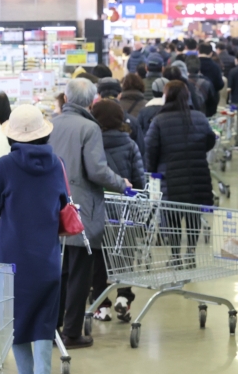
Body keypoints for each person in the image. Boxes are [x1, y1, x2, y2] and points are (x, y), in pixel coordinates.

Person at [0, 104, 66, 374]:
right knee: (44, 321)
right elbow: (64, 202)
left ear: (12, 136)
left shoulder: (6, 165)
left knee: (14, 319)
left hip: (13, 260)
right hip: (48, 260)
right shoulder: (57, 164)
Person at [49, 78, 130, 349]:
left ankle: (53, 327)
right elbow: (96, 170)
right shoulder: (89, 127)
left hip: (53, 208)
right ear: (91, 101)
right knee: (80, 274)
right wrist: (121, 183)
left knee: (58, 272)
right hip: (81, 211)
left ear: (67, 97)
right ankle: (72, 332)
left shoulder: (51, 123)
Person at [144, 81, 216, 268]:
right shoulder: (199, 117)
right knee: (193, 216)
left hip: (170, 177)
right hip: (197, 174)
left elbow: (150, 149)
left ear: (166, 97)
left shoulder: (159, 120)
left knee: (173, 219)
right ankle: (190, 254)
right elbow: (209, 140)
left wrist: (152, 172)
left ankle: (175, 256)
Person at [91, 99, 145, 322]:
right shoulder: (129, 143)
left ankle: (101, 305)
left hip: (97, 212)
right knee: (124, 256)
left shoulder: (90, 144)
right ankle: (123, 297)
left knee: (99, 261)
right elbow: (140, 181)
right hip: (125, 214)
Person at [97, 78, 145, 155]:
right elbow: (141, 150)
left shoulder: (91, 120)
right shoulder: (131, 121)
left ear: (99, 95)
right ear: (120, 95)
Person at [199, 42, 225, 116]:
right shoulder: (215, 66)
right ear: (211, 53)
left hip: (196, 99)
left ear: (199, 51)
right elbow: (220, 84)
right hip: (212, 99)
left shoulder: (194, 63)